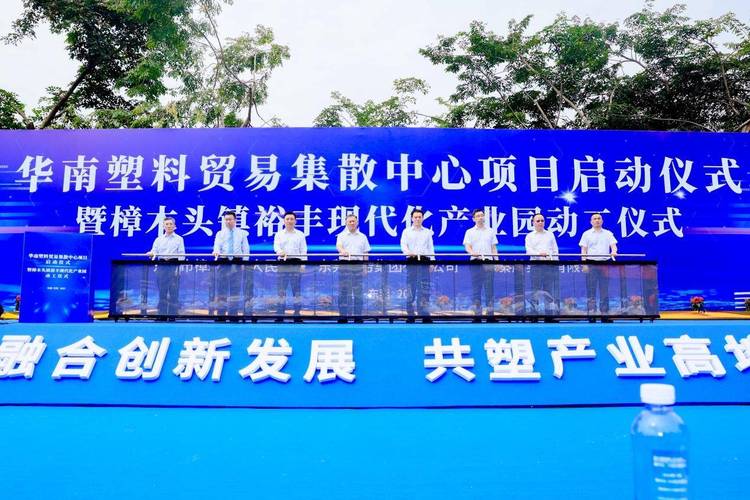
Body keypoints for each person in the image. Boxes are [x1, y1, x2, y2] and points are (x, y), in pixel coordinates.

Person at [579, 212, 618, 319]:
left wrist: (614, 251)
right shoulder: (586, 234)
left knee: (604, 289)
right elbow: (584, 250)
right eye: (595, 219)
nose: (597, 220)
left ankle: (605, 313)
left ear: (602, 221)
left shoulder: (608, 233)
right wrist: (584, 264)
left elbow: (613, 246)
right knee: (591, 289)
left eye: (599, 218)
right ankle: (592, 313)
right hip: (591, 263)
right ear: (591, 222)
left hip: (604, 264)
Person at [212, 210, 250, 318]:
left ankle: (233, 314)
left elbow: (246, 249)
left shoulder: (241, 233)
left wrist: (244, 263)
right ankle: (221, 315)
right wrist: (216, 252)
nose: (228, 221)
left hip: (237, 261)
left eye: (230, 219)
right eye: (226, 220)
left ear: (235, 220)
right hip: (223, 261)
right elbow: (217, 246)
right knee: (221, 289)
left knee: (235, 289)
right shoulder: (220, 233)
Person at [463, 208, 498, 320]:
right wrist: (472, 253)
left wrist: (497, 261)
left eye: (482, 215)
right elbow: (467, 246)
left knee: (489, 288)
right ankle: (477, 315)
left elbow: (493, 248)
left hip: (488, 262)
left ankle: (490, 315)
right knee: (476, 289)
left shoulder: (490, 231)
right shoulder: (469, 232)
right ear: (473, 219)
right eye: (477, 216)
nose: (480, 217)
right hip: (475, 262)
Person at [400, 208, 434, 323]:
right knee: (411, 287)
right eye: (415, 217)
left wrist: (432, 261)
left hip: (424, 260)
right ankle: (410, 314)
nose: (418, 219)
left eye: (420, 217)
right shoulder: (406, 231)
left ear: (423, 218)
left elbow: (430, 247)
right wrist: (409, 253)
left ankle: (424, 313)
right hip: (412, 260)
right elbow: (403, 246)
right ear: (412, 218)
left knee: (424, 288)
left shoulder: (427, 232)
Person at [147, 216, 185, 317]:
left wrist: (178, 269)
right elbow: (154, 251)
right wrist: (151, 253)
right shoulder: (158, 239)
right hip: (162, 265)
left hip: (174, 265)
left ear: (174, 226)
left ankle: (173, 314)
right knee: (162, 291)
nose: (169, 226)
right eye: (167, 224)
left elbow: (182, 255)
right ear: (163, 226)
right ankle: (161, 314)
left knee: (174, 291)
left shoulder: (179, 239)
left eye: (171, 224)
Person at [273, 211, 307, 322]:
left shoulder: (300, 234)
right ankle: (280, 314)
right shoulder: (279, 234)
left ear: (295, 221)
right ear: (284, 221)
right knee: (281, 290)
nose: (289, 221)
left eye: (292, 219)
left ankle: (297, 314)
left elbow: (303, 250)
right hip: (283, 263)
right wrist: (280, 252)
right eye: (287, 219)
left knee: (296, 290)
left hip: (296, 263)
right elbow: (276, 247)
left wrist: (303, 264)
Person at [336, 214, 370, 323]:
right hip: (344, 265)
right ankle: (343, 316)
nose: (352, 223)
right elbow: (339, 246)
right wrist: (343, 251)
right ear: (346, 223)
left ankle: (358, 317)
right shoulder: (341, 235)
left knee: (358, 292)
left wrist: (365, 267)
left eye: (353, 221)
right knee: (344, 292)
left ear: (357, 223)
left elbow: (365, 253)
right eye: (350, 221)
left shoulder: (363, 236)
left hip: (358, 266)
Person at [524, 213, 559, 316]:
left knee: (549, 289)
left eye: (542, 221)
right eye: (538, 221)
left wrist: (555, 261)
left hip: (549, 265)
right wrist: (539, 254)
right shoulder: (529, 236)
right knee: (535, 290)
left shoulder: (550, 234)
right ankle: (534, 314)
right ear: (533, 223)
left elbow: (555, 250)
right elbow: (529, 251)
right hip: (536, 265)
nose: (540, 223)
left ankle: (549, 314)